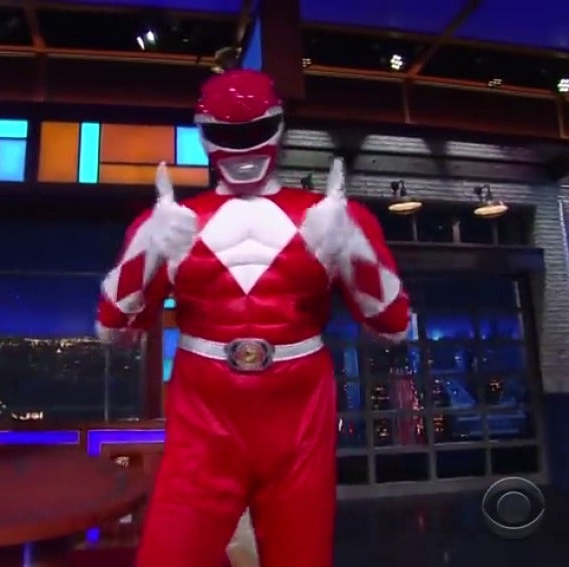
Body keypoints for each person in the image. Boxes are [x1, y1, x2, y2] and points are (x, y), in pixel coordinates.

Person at [95, 68, 410, 567]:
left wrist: (353, 248)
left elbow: (394, 325)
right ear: (205, 135)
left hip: (299, 414)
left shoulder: (329, 217)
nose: (242, 149)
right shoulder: (173, 222)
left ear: (278, 128)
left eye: (252, 131)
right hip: (203, 420)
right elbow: (114, 328)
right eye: (228, 134)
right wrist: (148, 249)